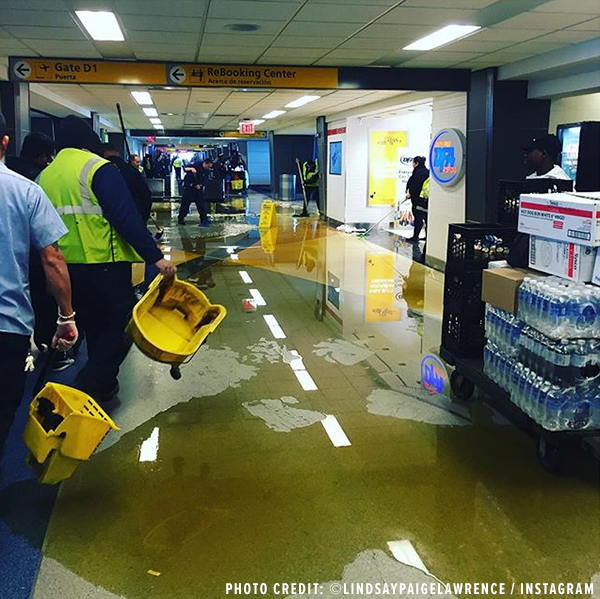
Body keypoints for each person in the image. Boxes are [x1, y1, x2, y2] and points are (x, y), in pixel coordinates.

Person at [38, 116, 175, 404]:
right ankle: (85, 388)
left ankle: (104, 386)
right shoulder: (98, 169)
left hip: (61, 271)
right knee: (123, 327)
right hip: (103, 266)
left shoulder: (45, 175)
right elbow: (125, 218)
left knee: (92, 329)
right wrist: (155, 258)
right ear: (89, 141)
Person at [0, 112, 77, 456]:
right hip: (7, 326)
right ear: (5, 142)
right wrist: (66, 317)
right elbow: (52, 259)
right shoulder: (25, 191)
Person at [101, 143, 152, 223]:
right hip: (131, 217)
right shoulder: (131, 171)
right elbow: (145, 195)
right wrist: (142, 218)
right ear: (118, 153)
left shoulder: (98, 171)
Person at [178, 159, 213, 227]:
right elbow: (185, 168)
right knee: (185, 204)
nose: (208, 168)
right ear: (205, 163)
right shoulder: (196, 164)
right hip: (189, 188)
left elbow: (206, 179)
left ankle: (204, 219)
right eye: (208, 166)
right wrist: (191, 169)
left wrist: (201, 185)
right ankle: (181, 218)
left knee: (201, 204)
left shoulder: (206, 170)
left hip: (198, 188)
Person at [405, 156, 430, 242]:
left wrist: (410, 194)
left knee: (418, 219)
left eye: (413, 163)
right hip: (426, 200)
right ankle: (428, 237)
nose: (412, 165)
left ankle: (415, 237)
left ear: (416, 163)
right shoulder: (427, 172)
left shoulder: (418, 173)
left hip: (418, 200)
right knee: (427, 219)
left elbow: (415, 186)